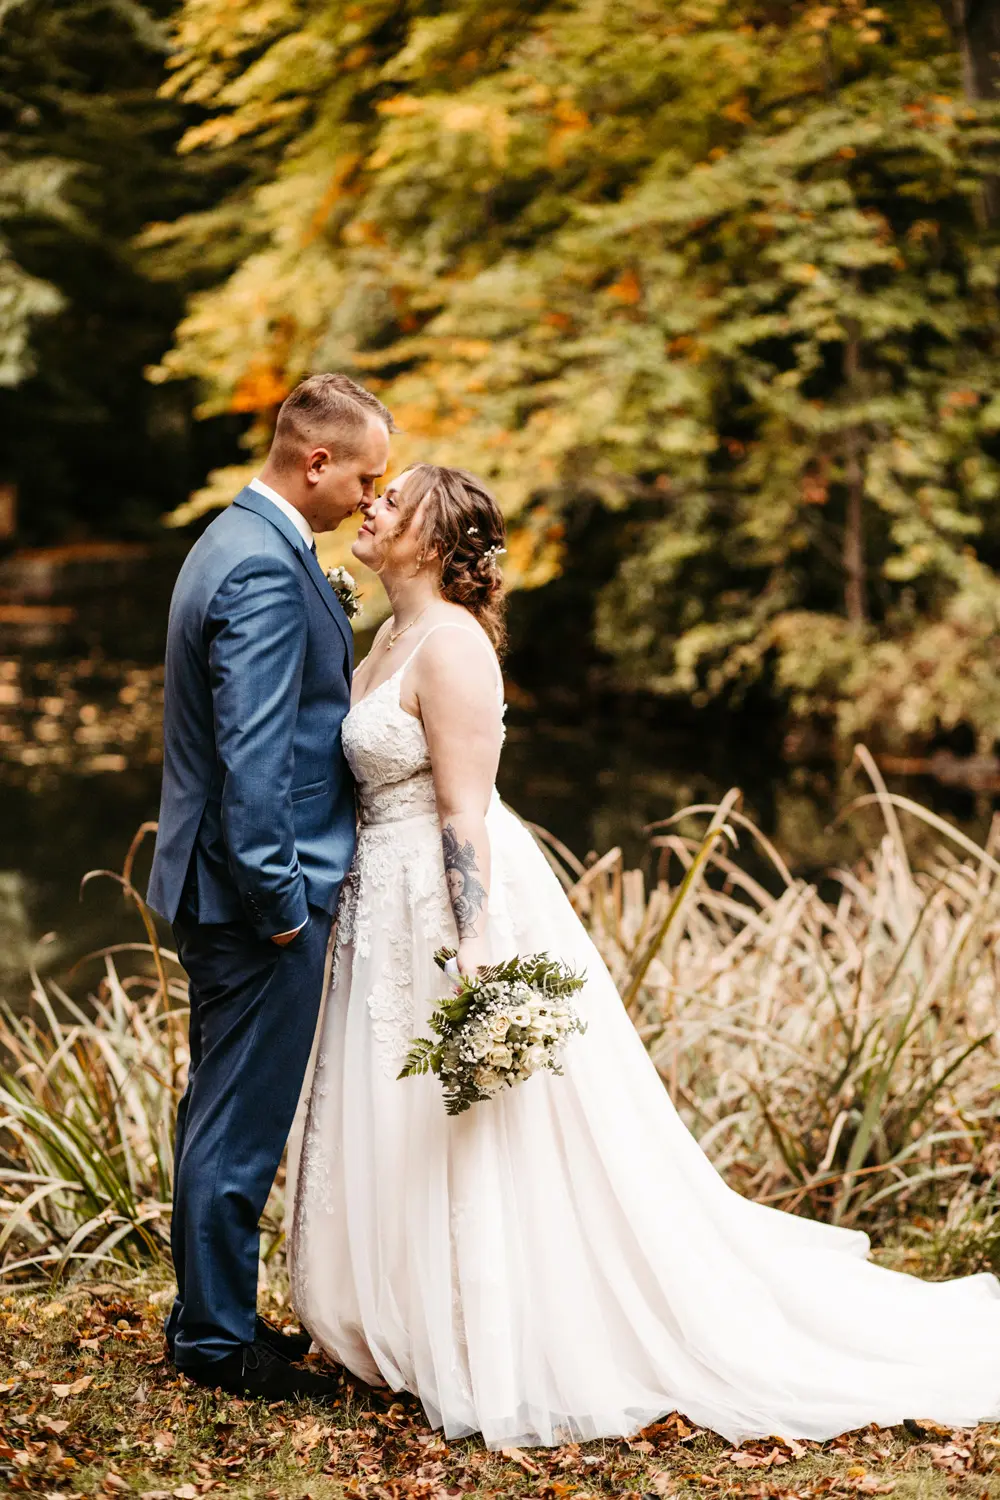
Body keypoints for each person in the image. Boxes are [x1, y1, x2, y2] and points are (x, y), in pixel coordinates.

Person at [290, 461, 1000, 1448]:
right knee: (401, 1108)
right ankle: (406, 1316)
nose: (371, 506)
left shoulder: (452, 652)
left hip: (446, 910)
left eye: (393, 501)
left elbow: (463, 815)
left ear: (437, 541)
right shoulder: (386, 641)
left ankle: (489, 1329)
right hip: (379, 906)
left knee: (477, 1125)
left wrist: (478, 949)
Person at [146, 373, 392, 1398]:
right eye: (365, 476)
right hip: (254, 903)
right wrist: (284, 908)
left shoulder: (241, 539)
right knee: (240, 1123)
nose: (370, 499)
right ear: (315, 460)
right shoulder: (260, 568)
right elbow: (254, 765)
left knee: (219, 1110)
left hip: (222, 891)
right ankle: (215, 1346)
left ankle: (211, 1315)